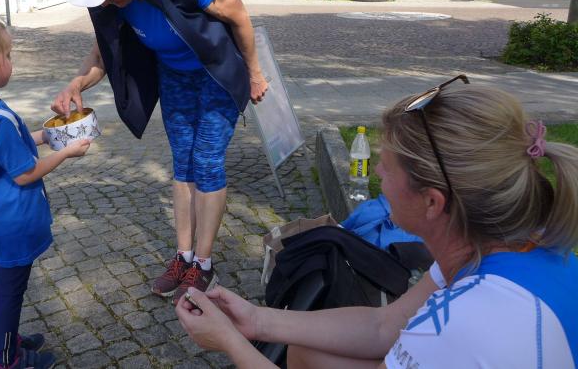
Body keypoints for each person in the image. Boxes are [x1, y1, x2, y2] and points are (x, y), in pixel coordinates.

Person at [177, 78, 578, 368]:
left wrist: (230, 343)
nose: (377, 176)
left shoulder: (460, 324)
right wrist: (255, 321)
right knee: (307, 353)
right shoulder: (496, 244)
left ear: (432, 202)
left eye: (385, 168)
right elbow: (384, 326)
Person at [51, 0, 269, 303]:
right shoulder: (107, 0)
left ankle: (204, 264)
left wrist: (255, 73)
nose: (105, 1)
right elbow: (102, 54)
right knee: (183, 163)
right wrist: (76, 83)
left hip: (216, 72)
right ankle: (183, 257)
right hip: (174, 75)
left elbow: (239, 16)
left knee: (207, 161)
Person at [0, 15, 91, 369]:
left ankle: (6, 338)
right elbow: (25, 173)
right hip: (13, 219)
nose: (12, 60)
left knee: (1, 285)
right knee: (10, 291)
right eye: (7, 54)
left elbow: (10, 149)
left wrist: (50, 136)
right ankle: (6, 358)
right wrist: (66, 152)